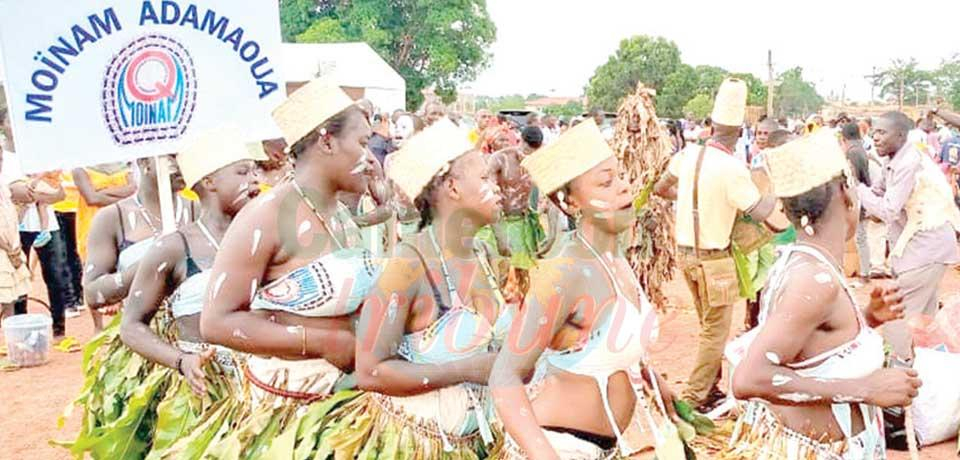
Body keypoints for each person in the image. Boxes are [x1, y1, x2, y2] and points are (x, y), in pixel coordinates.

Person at [197, 79, 382, 451]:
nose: (373, 158)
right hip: (289, 420)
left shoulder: (341, 213)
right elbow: (216, 322)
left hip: (343, 410)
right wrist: (320, 341)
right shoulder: (266, 215)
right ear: (327, 141)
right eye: (363, 143)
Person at [319, 119, 510, 458]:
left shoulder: (483, 254)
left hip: (475, 443)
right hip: (414, 446)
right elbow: (371, 370)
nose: (498, 188)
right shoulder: (408, 266)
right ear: (452, 188)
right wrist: (464, 370)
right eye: (484, 179)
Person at [725, 131, 920, 459]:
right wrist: (867, 389)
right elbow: (749, 378)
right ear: (847, 193)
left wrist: (868, 318)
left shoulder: (806, 263)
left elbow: (810, 349)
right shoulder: (814, 281)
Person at [490, 119, 674, 459]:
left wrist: (659, 388)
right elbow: (505, 376)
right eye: (605, 183)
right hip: (560, 446)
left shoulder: (614, 256)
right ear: (570, 202)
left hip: (606, 449)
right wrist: (543, 454)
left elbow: (617, 340)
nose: (623, 188)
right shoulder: (566, 272)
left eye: (619, 176)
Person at [653, 78, 777, 412]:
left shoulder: (688, 154)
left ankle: (710, 390)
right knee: (714, 333)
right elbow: (765, 213)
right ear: (740, 132)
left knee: (707, 325)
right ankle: (693, 399)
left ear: (711, 125)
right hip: (715, 261)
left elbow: (661, 188)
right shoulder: (733, 168)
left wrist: (695, 200)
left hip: (686, 257)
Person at [857, 111, 960, 366]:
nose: (875, 137)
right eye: (874, 132)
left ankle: (898, 368)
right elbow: (879, 192)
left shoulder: (907, 163)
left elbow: (889, 209)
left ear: (900, 135)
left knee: (895, 314)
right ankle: (925, 373)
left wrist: (855, 188)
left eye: (882, 132)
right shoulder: (897, 159)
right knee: (923, 319)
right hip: (926, 250)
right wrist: (864, 191)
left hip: (925, 250)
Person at [82, 155, 196, 331]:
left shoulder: (200, 212)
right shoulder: (113, 218)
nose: (181, 163)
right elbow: (93, 293)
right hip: (144, 340)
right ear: (144, 162)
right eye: (171, 156)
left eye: (184, 154)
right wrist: (152, 262)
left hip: (202, 343)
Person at [1, 108, 72, 338]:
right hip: (15, 227)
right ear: (3, 126)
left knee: (56, 275)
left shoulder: (36, 154)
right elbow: (12, 192)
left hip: (47, 224)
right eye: (9, 121)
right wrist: (29, 193)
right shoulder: (4, 155)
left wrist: (34, 194)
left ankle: (59, 328)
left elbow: (60, 194)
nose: (14, 125)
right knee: (19, 279)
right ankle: (20, 330)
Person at [0, 115, 29, 323]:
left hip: (11, 246)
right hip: (3, 249)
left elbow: (11, 216)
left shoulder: (3, 183)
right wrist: (8, 248)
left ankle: (9, 345)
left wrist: (15, 246)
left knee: (10, 299)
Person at [841, 122, 872, 285]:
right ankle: (865, 271)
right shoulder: (861, 150)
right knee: (861, 237)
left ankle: (865, 274)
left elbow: (852, 178)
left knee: (859, 237)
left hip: (857, 197)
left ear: (844, 137)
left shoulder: (852, 153)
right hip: (864, 195)